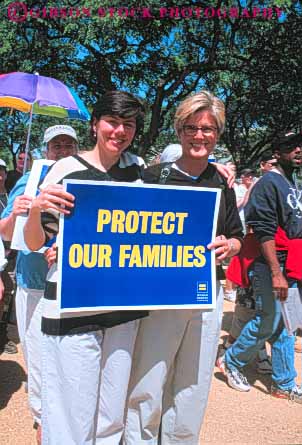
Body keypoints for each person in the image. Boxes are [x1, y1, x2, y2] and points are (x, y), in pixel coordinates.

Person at [23, 91, 149, 445]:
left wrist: (219, 170)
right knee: (69, 408)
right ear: (95, 125)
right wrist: (36, 209)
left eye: (129, 124)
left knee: (111, 411)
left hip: (122, 306)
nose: (119, 131)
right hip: (71, 303)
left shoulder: (138, 169)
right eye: (112, 122)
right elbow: (35, 242)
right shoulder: (65, 169)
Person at [124, 90, 243, 445]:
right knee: (149, 379)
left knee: (192, 383)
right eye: (192, 127)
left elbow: (236, 236)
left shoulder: (221, 183)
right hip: (159, 296)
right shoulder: (153, 177)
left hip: (205, 295)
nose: (200, 135)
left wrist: (230, 246)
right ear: (179, 131)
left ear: (217, 134)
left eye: (208, 129)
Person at [0, 125, 79, 442]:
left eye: (68, 145)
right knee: (38, 352)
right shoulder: (27, 182)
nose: (62, 150)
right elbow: (5, 233)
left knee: (69, 355)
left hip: (73, 284)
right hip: (34, 282)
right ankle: (44, 418)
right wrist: (16, 214)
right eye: (55, 145)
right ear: (46, 150)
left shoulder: (86, 180)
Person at [218, 131, 302, 403]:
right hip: (270, 265)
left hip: (287, 264)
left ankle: (283, 382)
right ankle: (231, 360)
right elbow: (263, 231)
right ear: (277, 153)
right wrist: (276, 272)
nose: (298, 150)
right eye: (291, 146)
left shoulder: (292, 182)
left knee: (283, 325)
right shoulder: (269, 183)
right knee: (268, 320)